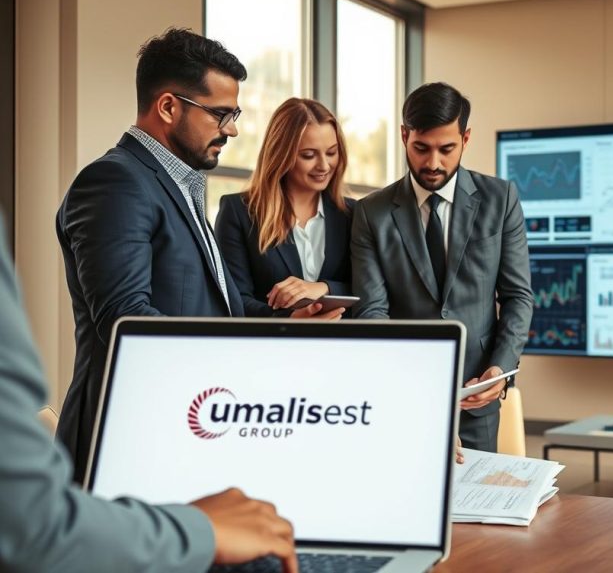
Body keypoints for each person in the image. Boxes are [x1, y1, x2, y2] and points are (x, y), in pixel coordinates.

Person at [53, 29, 329, 483]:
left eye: (234, 114)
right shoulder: (114, 182)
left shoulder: (179, 185)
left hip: (181, 429)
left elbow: (208, 308)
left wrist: (282, 324)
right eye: (221, 114)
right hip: (129, 440)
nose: (233, 129)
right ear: (168, 107)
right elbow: (128, 323)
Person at [0, 216, 299, 573]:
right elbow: (29, 523)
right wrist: (200, 531)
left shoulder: (187, 190)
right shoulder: (115, 180)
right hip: (160, 446)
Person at [351, 82, 533, 452]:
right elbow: (371, 309)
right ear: (404, 136)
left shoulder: (501, 200)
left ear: (466, 139)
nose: (433, 163)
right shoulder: (372, 212)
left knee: (478, 505)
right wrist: (411, 382)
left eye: (446, 149)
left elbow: (517, 296)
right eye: (421, 148)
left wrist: (499, 368)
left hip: (476, 394)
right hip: (402, 397)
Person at [215, 98, 354, 317]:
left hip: (345, 347)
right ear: (281, 154)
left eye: (331, 152)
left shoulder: (353, 214)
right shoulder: (238, 212)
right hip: (272, 346)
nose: (324, 166)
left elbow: (372, 289)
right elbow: (234, 301)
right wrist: (290, 320)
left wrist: (324, 288)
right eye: (308, 155)